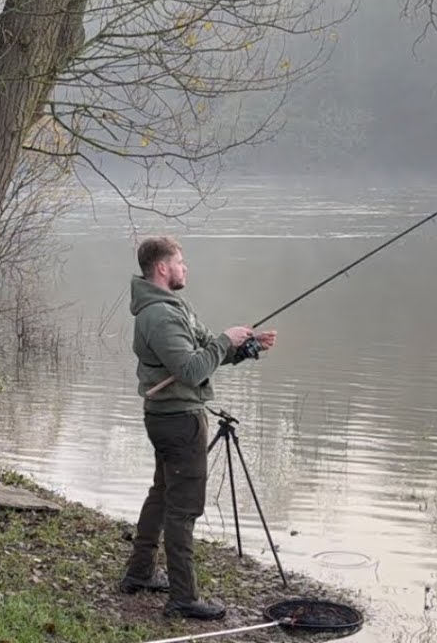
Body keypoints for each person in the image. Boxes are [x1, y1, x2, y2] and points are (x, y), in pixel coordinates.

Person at [117, 235, 277, 620]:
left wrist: (246, 346)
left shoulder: (174, 307)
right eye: (180, 261)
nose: (185, 267)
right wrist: (225, 340)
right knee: (183, 509)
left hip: (170, 417)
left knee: (161, 495)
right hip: (178, 421)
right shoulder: (159, 315)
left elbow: (205, 353)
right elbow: (190, 370)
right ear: (162, 268)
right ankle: (183, 598)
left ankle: (139, 574)